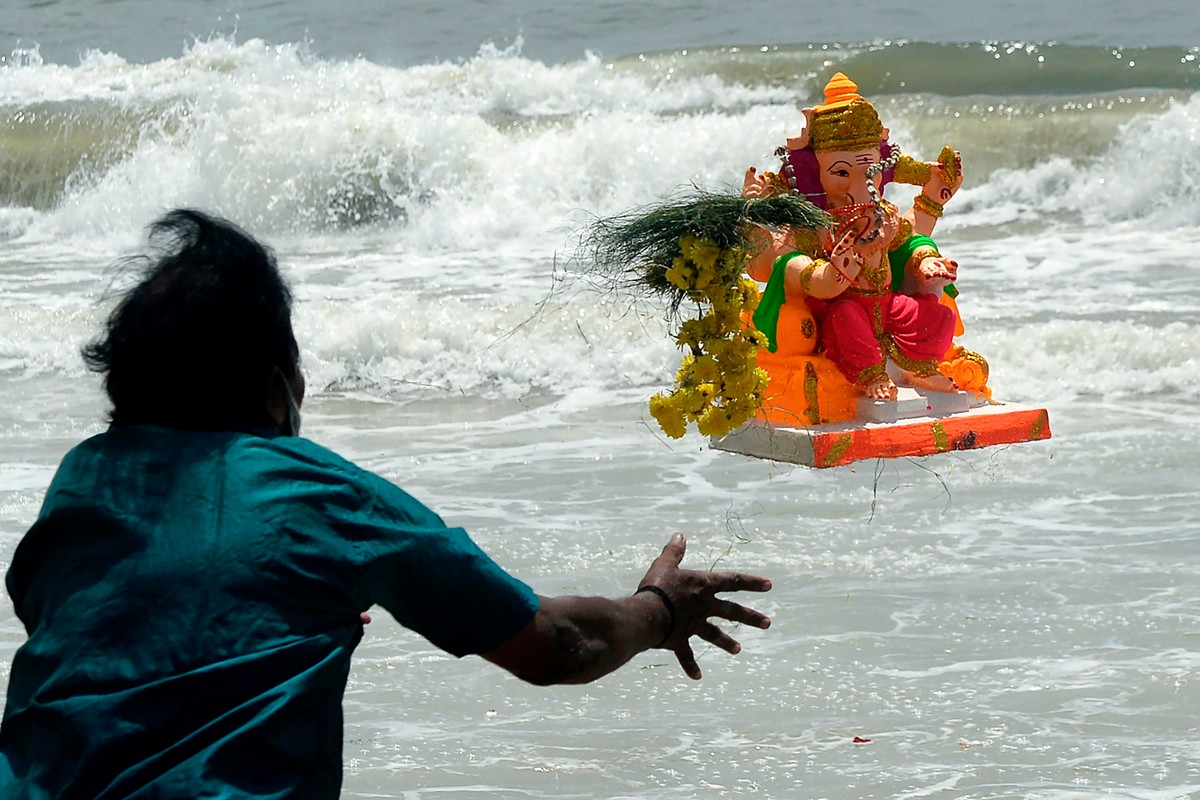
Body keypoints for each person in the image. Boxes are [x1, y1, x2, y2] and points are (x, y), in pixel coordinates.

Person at [0, 209, 772, 799]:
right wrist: (657, 609)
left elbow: (120, 641)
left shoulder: (82, 482)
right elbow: (557, 645)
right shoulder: (315, 495)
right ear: (274, 392)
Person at [743, 72, 966, 401]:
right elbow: (782, 271)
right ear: (816, 174)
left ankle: (916, 369)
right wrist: (755, 212)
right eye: (841, 173)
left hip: (886, 306)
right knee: (845, 316)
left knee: (940, 316)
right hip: (840, 311)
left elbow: (912, 236)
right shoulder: (814, 225)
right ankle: (871, 376)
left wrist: (928, 241)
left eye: (870, 172)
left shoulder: (884, 214)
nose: (859, 186)